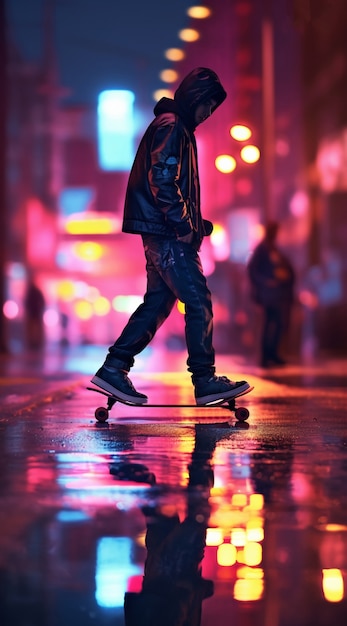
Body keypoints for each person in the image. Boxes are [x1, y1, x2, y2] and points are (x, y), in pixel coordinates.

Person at [91, 67, 250, 405]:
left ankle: (114, 368)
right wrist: (183, 225)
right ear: (194, 99)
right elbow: (161, 179)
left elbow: (166, 182)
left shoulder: (175, 127)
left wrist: (195, 223)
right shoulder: (172, 126)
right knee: (197, 299)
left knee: (158, 304)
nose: (209, 113)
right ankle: (205, 380)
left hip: (162, 231)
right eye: (207, 105)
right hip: (167, 235)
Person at [247, 221, 295, 367]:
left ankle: (272, 353)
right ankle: (266, 355)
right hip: (267, 296)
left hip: (277, 296)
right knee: (269, 324)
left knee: (277, 324)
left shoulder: (274, 250)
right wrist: (266, 282)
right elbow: (252, 270)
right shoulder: (262, 250)